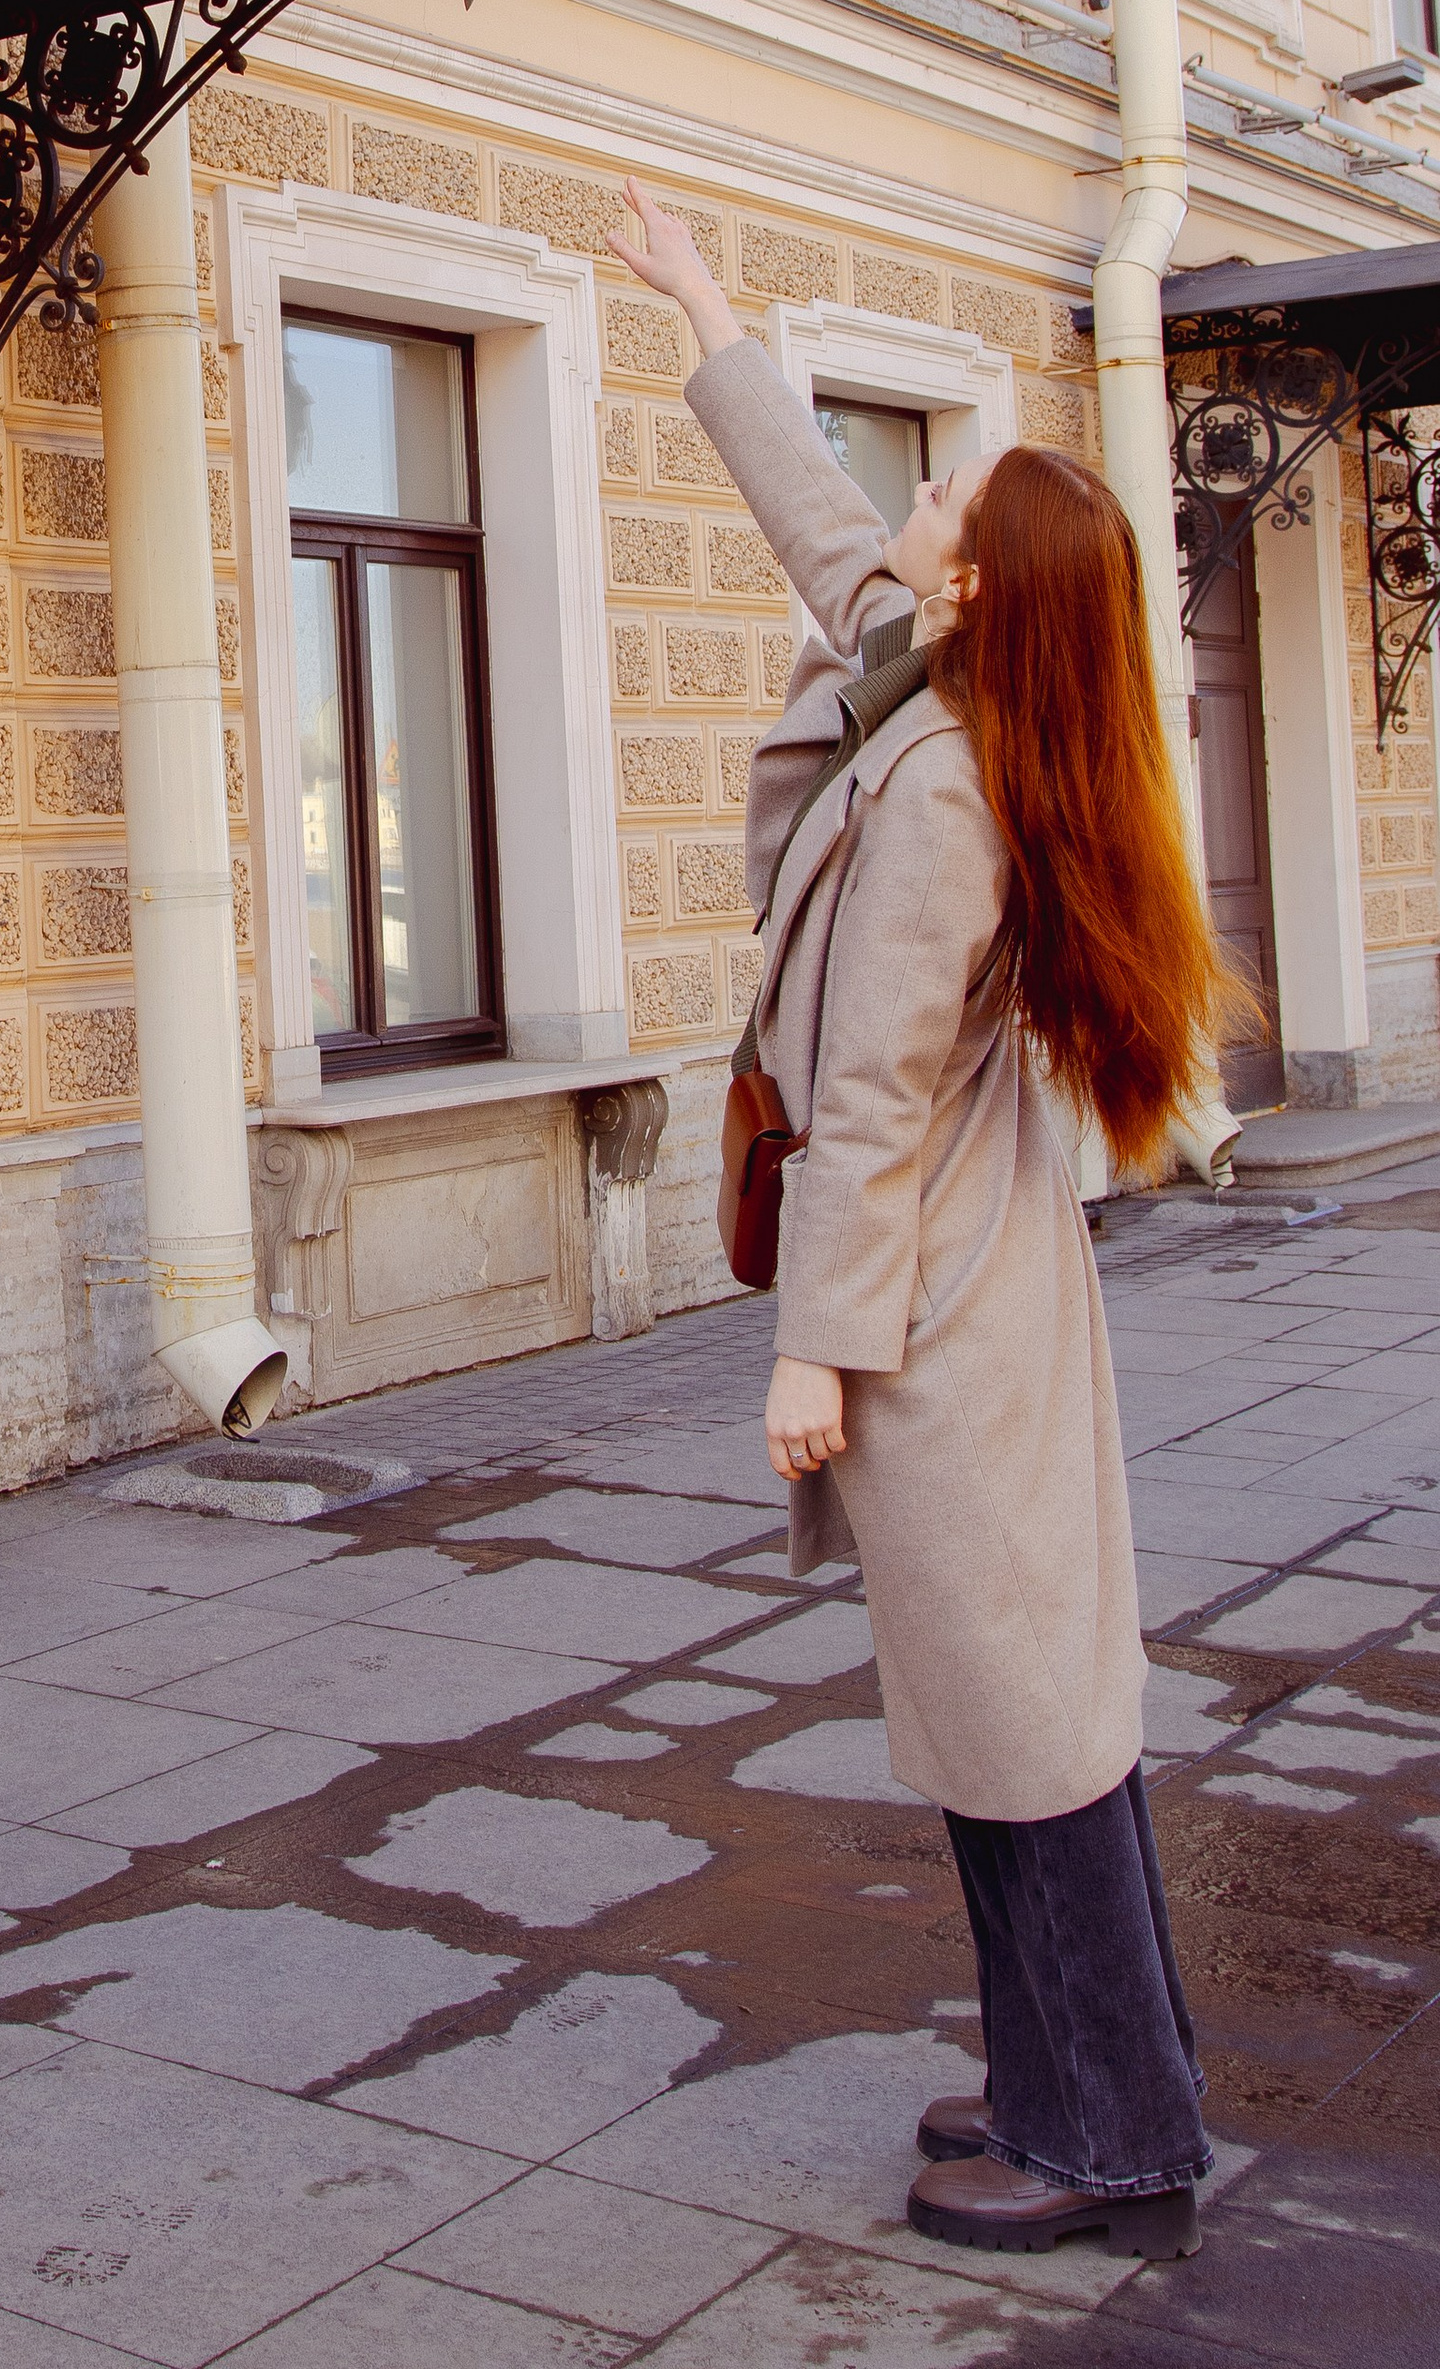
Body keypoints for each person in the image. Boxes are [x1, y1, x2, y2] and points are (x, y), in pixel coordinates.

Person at [613, 178, 1233, 2262]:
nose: (908, 490)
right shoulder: (919, 680)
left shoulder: (953, 784)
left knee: (1019, 1721)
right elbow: (811, 507)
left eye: (938, 485)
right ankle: (1075, 2076)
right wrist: (697, 298)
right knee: (1006, 1708)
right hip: (964, 1287)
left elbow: (872, 1093)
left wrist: (808, 1346)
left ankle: (1108, 2131)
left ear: (965, 583)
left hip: (936, 1310)